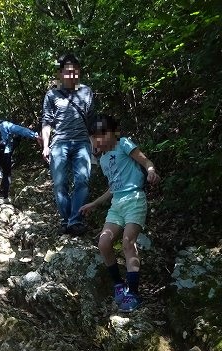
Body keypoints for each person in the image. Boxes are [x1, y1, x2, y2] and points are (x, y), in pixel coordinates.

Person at [80, 115, 161, 312]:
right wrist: (95, 203)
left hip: (134, 200)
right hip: (116, 204)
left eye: (103, 134)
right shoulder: (104, 159)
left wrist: (151, 171)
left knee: (128, 242)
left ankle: (133, 293)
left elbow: (144, 160)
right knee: (104, 242)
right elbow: (113, 188)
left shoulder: (123, 144)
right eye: (95, 136)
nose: (99, 140)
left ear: (114, 133)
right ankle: (118, 284)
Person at [41, 53, 95, 237]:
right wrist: (45, 146)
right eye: (68, 72)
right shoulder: (52, 94)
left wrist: (95, 142)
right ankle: (66, 220)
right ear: (60, 73)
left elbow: (91, 119)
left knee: (82, 181)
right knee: (60, 183)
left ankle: (74, 220)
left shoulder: (86, 91)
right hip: (59, 143)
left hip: (82, 142)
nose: (72, 75)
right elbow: (47, 122)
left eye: (75, 72)